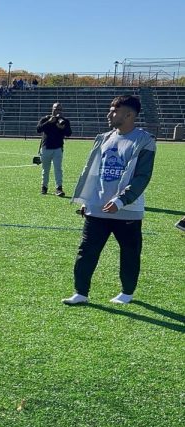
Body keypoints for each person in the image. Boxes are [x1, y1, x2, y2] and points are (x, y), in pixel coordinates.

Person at [62, 95, 156, 306]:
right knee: (86, 251)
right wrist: (87, 200)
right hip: (97, 209)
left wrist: (121, 201)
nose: (109, 114)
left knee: (130, 253)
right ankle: (81, 292)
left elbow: (142, 176)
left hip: (127, 210)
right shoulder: (104, 138)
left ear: (129, 114)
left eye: (114, 110)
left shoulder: (144, 140)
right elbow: (94, 173)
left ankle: (127, 292)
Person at [36, 103, 72, 196]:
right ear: (52, 109)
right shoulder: (45, 119)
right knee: (45, 169)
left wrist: (62, 128)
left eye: (60, 110)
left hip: (58, 148)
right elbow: (38, 129)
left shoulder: (64, 121)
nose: (58, 111)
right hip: (46, 147)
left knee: (58, 169)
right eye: (56, 109)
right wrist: (49, 122)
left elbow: (69, 133)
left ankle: (59, 188)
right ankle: (44, 187)